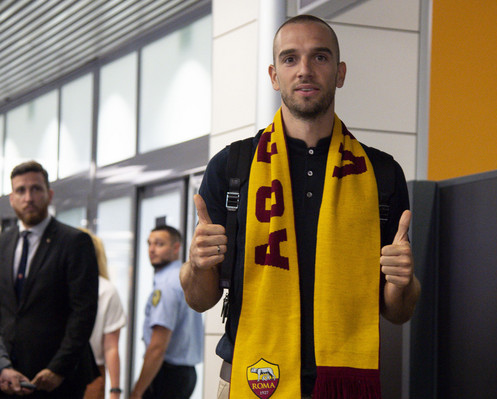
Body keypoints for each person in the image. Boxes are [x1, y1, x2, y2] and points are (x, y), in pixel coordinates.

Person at [180, 14, 421, 399]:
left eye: (320, 57)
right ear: (274, 76)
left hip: (343, 382)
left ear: (340, 73)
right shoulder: (232, 168)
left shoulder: (381, 174)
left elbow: (398, 310)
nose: (305, 70)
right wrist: (197, 263)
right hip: (249, 375)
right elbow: (200, 298)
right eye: (290, 59)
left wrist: (403, 282)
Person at [0, 161, 99, 398]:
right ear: (11, 198)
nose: (28, 197)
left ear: (49, 194)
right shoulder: (3, 242)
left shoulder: (75, 242)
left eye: (36, 189)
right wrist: (2, 366)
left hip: (57, 380)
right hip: (8, 379)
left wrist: (58, 369)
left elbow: (83, 313)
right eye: (20, 191)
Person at [131, 225, 203, 399]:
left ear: (176, 247)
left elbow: (157, 347)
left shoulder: (167, 286)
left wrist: (137, 391)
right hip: (185, 375)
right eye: (149, 244)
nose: (152, 250)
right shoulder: (183, 278)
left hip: (167, 375)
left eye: (159, 244)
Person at [81, 230, 126, 399]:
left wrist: (115, 391)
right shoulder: (54, 285)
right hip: (55, 371)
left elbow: (111, 347)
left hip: (92, 374)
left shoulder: (106, 290)